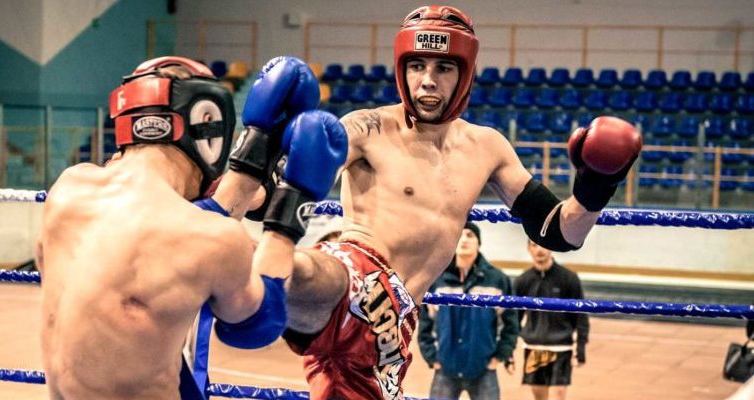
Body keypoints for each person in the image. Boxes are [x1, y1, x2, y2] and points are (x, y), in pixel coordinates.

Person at [268, 5, 642, 399]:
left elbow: (560, 233)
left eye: (443, 69)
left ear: (465, 74)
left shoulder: (487, 147)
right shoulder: (367, 127)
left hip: (392, 327)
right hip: (357, 277)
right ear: (402, 69)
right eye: (417, 67)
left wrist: (597, 185)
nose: (427, 81)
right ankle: (253, 275)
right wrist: (270, 162)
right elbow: (302, 172)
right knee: (308, 273)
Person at [35, 56, 347, 400]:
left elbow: (168, 235)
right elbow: (256, 325)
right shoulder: (209, 239)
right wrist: (290, 212)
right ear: (208, 124)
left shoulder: (68, 190)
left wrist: (255, 152)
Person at [418, 222, 519, 400]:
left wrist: (498, 357)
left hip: (483, 370)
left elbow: (511, 323)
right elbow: (425, 321)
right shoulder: (437, 279)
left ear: (478, 243)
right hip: (445, 368)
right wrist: (432, 358)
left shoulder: (497, 279)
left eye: (470, 235)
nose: (464, 239)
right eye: (460, 234)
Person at [513, 240, 590, 400]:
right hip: (534, 346)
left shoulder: (569, 278)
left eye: (543, 245)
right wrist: (508, 352)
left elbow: (581, 316)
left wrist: (580, 349)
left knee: (558, 395)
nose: (539, 250)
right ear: (528, 248)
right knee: (539, 396)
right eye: (534, 245)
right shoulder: (522, 281)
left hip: (561, 347)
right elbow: (515, 317)